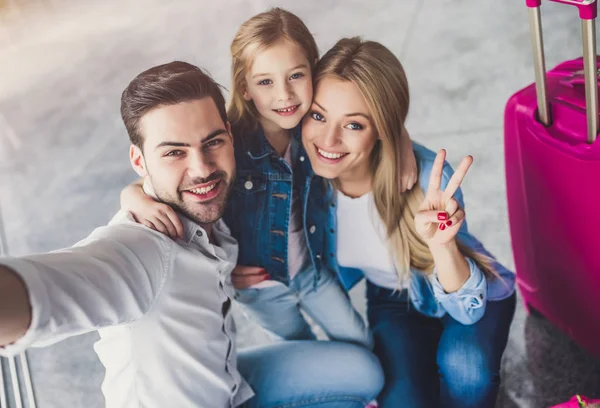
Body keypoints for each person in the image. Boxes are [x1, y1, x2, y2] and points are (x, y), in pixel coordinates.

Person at [0, 61, 384, 408]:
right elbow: (50, 288)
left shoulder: (216, 207)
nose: (202, 169)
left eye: (212, 142)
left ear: (230, 137)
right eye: (174, 152)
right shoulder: (141, 251)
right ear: (139, 160)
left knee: (363, 371)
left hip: (229, 385)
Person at [119, 8, 417, 346]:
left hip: (312, 273)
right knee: (301, 348)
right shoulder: (231, 141)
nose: (284, 95)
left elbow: (369, 107)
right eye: (265, 82)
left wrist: (401, 140)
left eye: (296, 76)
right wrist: (132, 196)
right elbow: (171, 181)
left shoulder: (314, 127)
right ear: (244, 88)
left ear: (314, 73)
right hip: (260, 286)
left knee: (358, 339)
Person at [300, 37, 517, 408]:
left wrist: (441, 245)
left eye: (353, 125)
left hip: (463, 286)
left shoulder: (430, 176)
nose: (328, 139)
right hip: (392, 297)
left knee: (466, 371)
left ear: (382, 128)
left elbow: (468, 309)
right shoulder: (303, 178)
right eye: (318, 116)